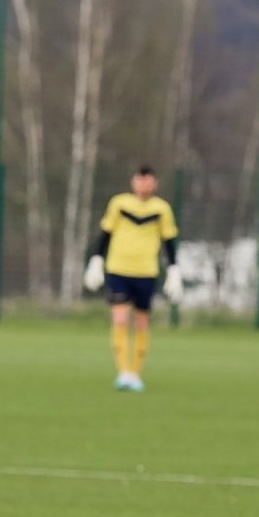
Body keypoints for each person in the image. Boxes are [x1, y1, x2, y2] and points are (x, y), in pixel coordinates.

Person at [82, 165, 184, 392]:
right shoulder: (119, 203)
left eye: (149, 180)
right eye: (140, 180)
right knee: (119, 319)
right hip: (118, 269)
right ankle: (124, 371)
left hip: (146, 271)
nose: (144, 184)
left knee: (140, 322)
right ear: (133, 181)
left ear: (154, 183)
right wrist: (96, 261)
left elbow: (169, 241)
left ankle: (136, 373)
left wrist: (174, 271)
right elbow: (105, 233)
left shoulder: (161, 209)